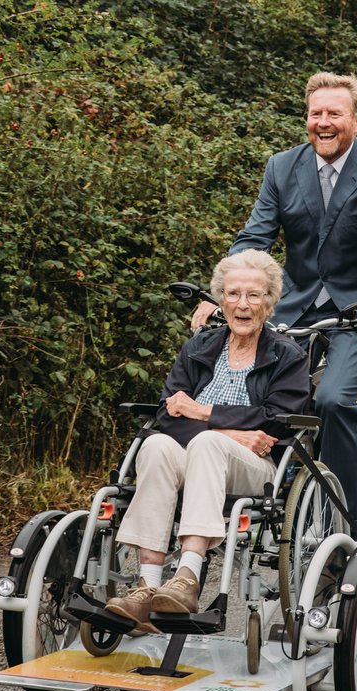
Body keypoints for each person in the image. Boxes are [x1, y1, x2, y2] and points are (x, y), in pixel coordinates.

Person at [192, 71, 357, 524]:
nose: (323, 122)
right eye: (315, 113)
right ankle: (266, 492)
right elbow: (255, 236)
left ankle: (345, 520)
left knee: (334, 399)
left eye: (334, 113)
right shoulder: (282, 166)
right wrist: (226, 293)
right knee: (259, 393)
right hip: (295, 306)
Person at [105, 249, 309, 631]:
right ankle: (147, 587)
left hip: (254, 467)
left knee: (206, 444)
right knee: (156, 445)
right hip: (197, 453)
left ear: (270, 302)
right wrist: (228, 429)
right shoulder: (198, 348)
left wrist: (203, 413)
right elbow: (168, 414)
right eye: (233, 294)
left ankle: (187, 577)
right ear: (220, 300)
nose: (242, 304)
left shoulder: (288, 356)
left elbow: (276, 419)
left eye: (254, 295)